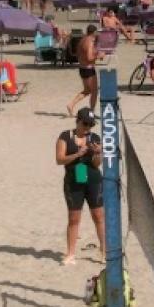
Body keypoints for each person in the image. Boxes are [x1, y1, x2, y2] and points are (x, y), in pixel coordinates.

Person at [55, 109, 106, 266]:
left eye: (90, 125)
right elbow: (59, 159)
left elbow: (97, 164)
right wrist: (77, 155)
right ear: (77, 121)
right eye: (85, 124)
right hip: (73, 181)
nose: (87, 128)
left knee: (98, 216)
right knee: (74, 218)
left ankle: (104, 251)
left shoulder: (94, 138)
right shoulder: (65, 136)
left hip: (93, 180)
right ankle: (70, 254)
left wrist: (98, 153)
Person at [66, 25, 100, 116]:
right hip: (89, 69)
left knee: (87, 90)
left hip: (82, 68)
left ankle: (71, 104)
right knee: (94, 91)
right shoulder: (89, 42)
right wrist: (98, 56)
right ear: (94, 32)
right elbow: (89, 57)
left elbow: (79, 53)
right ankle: (92, 112)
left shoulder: (82, 40)